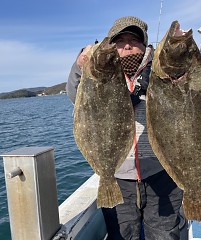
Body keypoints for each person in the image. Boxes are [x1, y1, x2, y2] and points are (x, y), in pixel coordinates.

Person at [66, 16, 184, 240]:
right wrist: (80, 65)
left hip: (163, 173)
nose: (127, 45)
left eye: (134, 39)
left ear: (144, 44)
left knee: (164, 235)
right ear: (112, 46)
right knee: (122, 235)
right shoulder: (99, 74)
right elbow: (75, 94)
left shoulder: (161, 71)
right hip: (118, 178)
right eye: (120, 41)